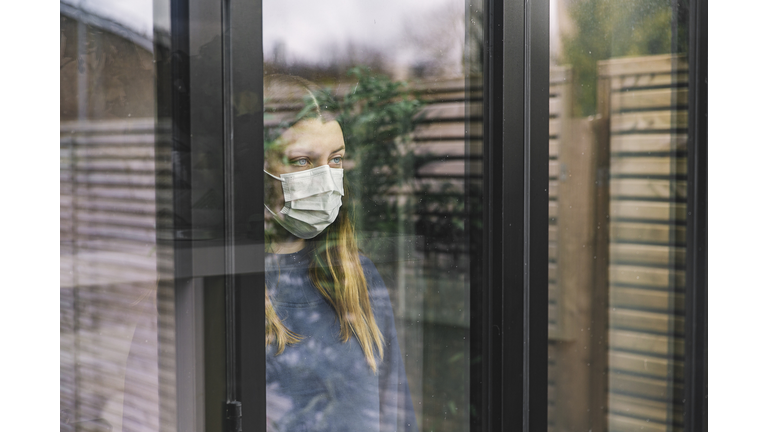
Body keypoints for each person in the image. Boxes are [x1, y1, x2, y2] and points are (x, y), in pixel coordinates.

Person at [262, 74, 417, 432]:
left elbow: (396, 411)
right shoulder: (225, 283)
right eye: (302, 161)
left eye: (336, 159)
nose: (325, 177)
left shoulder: (355, 273)